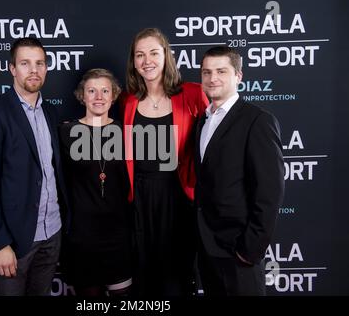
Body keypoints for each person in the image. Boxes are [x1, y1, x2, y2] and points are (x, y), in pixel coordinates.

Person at [0, 37, 68, 296]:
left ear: (46, 68)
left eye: (40, 63)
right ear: (12, 69)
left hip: (52, 233)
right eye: (25, 63)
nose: (33, 70)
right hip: (14, 241)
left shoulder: (50, 112)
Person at [121, 27, 209, 296]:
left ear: (166, 56)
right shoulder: (128, 100)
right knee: (143, 273)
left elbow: (214, 142)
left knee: (177, 273)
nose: (147, 61)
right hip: (140, 197)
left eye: (153, 53)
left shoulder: (193, 93)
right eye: (140, 55)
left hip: (178, 194)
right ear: (133, 61)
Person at [194, 46, 285, 296]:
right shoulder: (202, 121)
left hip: (238, 252)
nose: (212, 78)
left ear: (238, 76)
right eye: (206, 72)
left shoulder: (258, 120)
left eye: (221, 71)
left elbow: (270, 192)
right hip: (207, 248)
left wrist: (249, 249)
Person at [59, 68, 132, 296]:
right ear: (82, 95)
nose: (99, 97)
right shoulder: (65, 132)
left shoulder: (126, 132)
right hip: (82, 238)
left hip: (118, 235)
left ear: (114, 95)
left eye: (104, 91)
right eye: (92, 91)